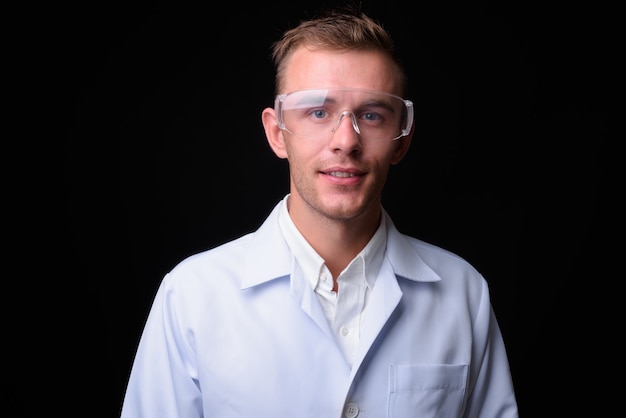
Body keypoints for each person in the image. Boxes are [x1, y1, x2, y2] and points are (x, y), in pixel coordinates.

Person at [120, 5, 518, 417]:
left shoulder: (462, 293)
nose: (346, 140)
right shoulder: (192, 296)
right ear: (277, 133)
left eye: (372, 114)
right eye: (318, 112)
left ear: (401, 139)